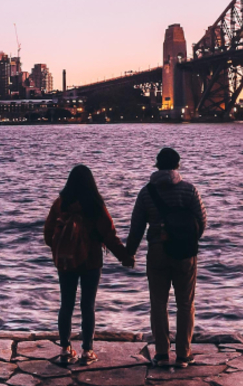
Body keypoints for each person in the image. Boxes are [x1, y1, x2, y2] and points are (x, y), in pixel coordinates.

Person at [43, 164, 133, 365]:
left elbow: (48, 233)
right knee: (87, 305)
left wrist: (62, 247)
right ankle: (87, 350)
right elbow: (109, 235)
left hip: (66, 262)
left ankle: (65, 349)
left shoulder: (60, 204)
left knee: (66, 304)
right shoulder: (95, 205)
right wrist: (124, 257)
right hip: (91, 261)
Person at [125, 147, 206, 368]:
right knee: (185, 303)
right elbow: (202, 221)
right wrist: (187, 239)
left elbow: (137, 228)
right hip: (185, 253)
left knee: (158, 303)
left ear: (157, 165)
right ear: (178, 165)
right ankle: (183, 355)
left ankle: (161, 353)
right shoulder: (189, 190)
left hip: (157, 251)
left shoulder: (146, 192)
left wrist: (129, 253)